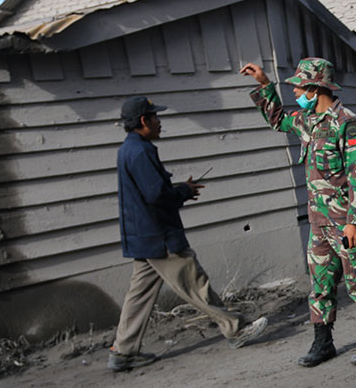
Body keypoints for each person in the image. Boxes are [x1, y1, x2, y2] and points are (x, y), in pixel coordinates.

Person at [240, 58, 356, 368]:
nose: (296, 93)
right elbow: (277, 119)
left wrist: (355, 222)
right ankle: (323, 342)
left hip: (344, 223)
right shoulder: (308, 121)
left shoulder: (347, 123)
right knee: (320, 284)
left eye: (298, 87)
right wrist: (264, 84)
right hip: (319, 223)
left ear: (315, 87)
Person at [108, 96, 268, 372]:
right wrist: (183, 191)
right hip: (160, 236)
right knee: (195, 282)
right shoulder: (141, 152)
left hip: (142, 236)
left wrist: (180, 188)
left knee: (139, 294)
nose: (159, 121)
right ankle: (235, 329)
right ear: (144, 121)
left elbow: (150, 191)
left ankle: (123, 351)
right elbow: (156, 194)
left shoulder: (128, 149)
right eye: (155, 117)